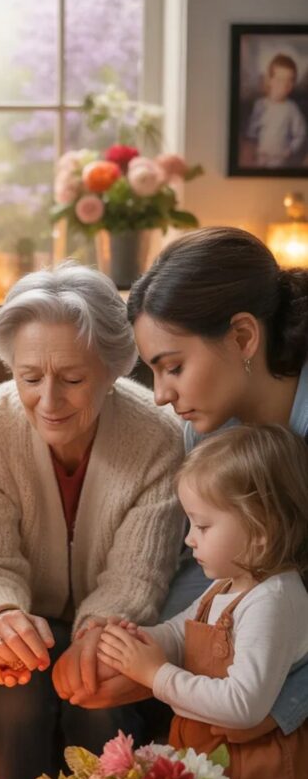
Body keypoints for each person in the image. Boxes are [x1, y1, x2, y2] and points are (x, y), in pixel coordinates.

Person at [0, 262, 185, 779]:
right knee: (13, 699)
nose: (49, 400)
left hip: (112, 628)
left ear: (112, 367)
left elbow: (137, 576)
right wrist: (1, 616)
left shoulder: (158, 437)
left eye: (72, 379)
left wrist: (95, 635)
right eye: (30, 377)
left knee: (98, 701)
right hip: (27, 622)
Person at [69, 227, 308, 746]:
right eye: (153, 373)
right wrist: (149, 648)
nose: (159, 396)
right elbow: (212, 574)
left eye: (173, 367)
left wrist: (282, 705)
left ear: (243, 337)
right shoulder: (204, 431)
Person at [97, 424, 308, 779]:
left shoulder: (274, 600)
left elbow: (242, 704)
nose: (189, 538)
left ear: (259, 531)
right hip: (211, 756)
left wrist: (154, 674)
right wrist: (141, 640)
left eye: (202, 524)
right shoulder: (229, 584)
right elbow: (178, 630)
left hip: (256, 765)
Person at [246, 53, 307, 168]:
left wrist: (290, 150)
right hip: (260, 158)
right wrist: (253, 149)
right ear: (270, 80)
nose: (284, 85)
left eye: (289, 81)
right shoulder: (260, 105)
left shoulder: (292, 109)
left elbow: (301, 134)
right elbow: (251, 132)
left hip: (280, 160)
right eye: (279, 80)